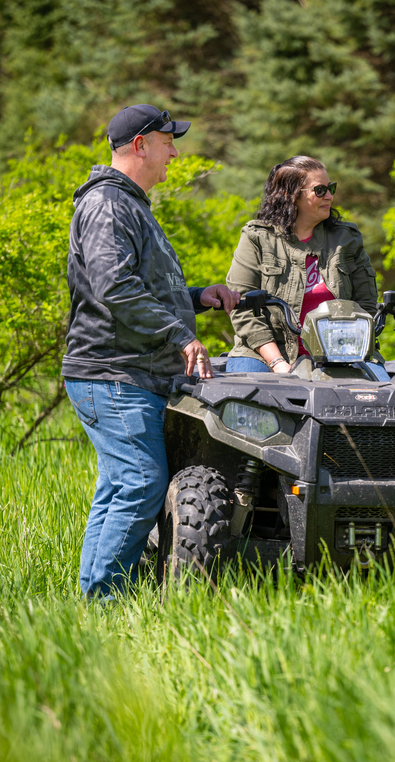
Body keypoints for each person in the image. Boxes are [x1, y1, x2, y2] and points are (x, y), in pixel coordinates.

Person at [62, 104, 240, 598]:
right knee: (141, 481)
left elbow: (143, 290)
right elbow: (113, 288)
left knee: (121, 486)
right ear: (140, 145)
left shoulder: (130, 205)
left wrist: (196, 299)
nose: (174, 152)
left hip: (124, 372)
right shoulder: (107, 206)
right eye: (167, 142)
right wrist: (181, 335)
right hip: (114, 373)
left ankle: (95, 599)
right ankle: (104, 603)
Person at [225, 156, 382, 376]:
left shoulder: (346, 239)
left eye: (331, 188)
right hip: (263, 353)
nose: (329, 196)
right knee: (248, 398)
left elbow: (366, 305)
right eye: (320, 190)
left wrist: (344, 351)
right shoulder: (257, 237)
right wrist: (277, 362)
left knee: (377, 397)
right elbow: (241, 308)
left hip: (341, 354)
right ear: (290, 196)